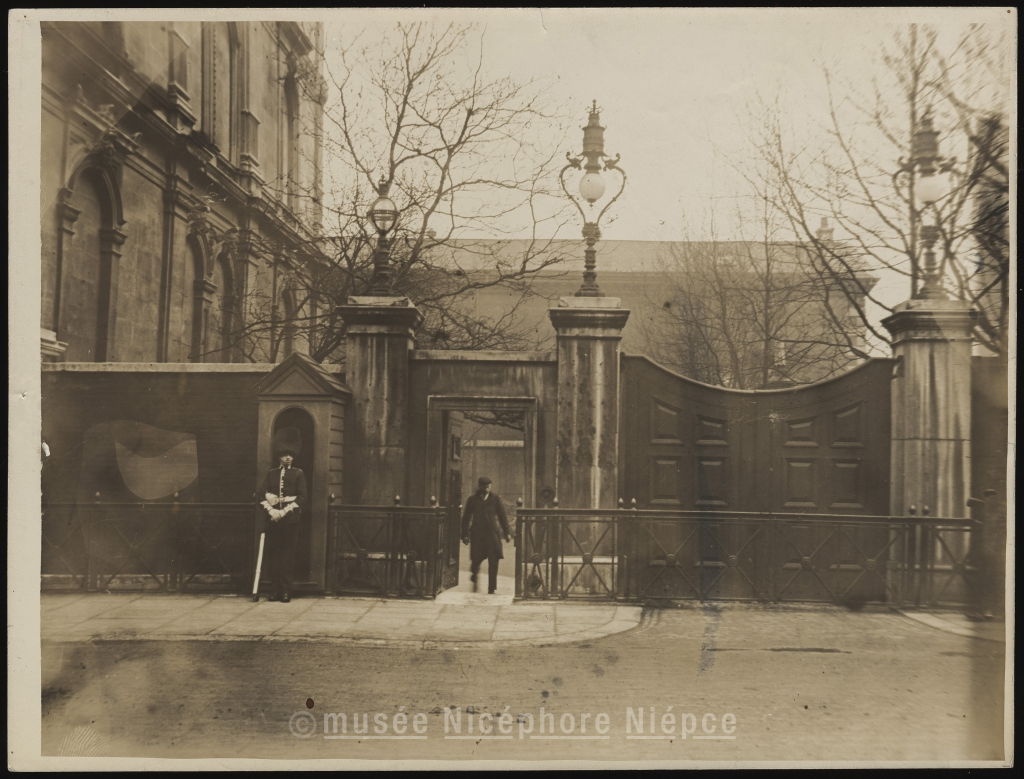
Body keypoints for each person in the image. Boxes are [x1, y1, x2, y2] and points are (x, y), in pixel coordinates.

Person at [256, 427, 307, 603]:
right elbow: (260, 494)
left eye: (290, 454)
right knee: (274, 556)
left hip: (291, 521)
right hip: (273, 520)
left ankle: (286, 591)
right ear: (279, 456)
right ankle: (275, 591)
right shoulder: (272, 474)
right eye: (284, 454)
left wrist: (284, 511)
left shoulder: (298, 473)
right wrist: (272, 511)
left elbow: (302, 497)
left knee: (288, 557)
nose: (287, 457)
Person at [461, 476, 510, 594]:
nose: (488, 488)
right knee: (476, 560)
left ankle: (491, 588)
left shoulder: (495, 499)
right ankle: (474, 574)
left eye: (489, 486)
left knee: (494, 561)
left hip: (492, 535)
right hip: (478, 535)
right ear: (480, 487)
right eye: (485, 486)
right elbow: (466, 518)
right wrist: (465, 535)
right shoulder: (472, 500)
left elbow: (502, 516)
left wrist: (507, 533)